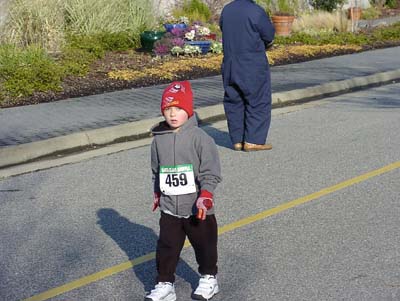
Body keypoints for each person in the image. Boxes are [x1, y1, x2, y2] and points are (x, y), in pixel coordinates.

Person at [146, 80, 222, 301]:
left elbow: (211, 171)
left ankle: (209, 278)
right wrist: (157, 192)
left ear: (188, 110)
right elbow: (156, 170)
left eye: (178, 109)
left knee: (205, 244)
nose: (172, 114)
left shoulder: (201, 138)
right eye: (168, 109)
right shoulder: (158, 141)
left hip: (196, 207)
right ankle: (164, 283)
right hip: (170, 207)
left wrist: (206, 195)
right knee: (167, 246)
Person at [219, 0, 275, 151]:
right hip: (251, 62)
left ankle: (237, 140)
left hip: (230, 62)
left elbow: (223, 29)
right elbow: (269, 35)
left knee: (234, 100)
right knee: (258, 99)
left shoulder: (227, 10)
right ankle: (253, 140)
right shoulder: (256, 11)